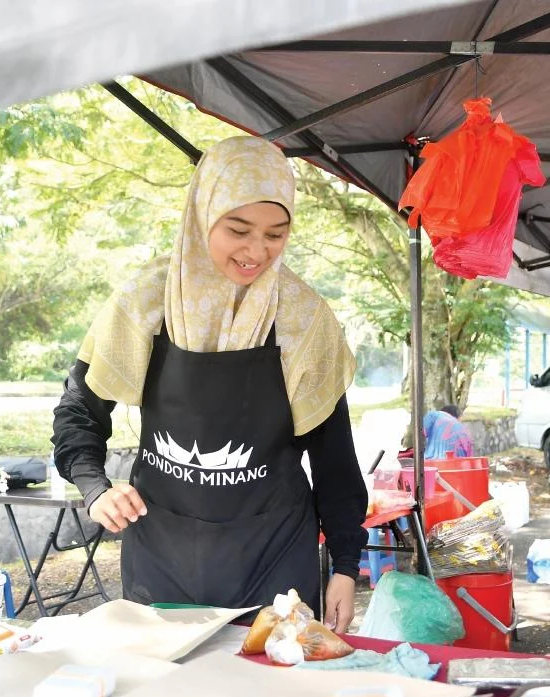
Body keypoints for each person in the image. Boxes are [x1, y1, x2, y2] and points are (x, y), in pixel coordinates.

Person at [51, 136, 367, 632]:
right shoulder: (144, 302)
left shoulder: (303, 320)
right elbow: (78, 411)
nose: (256, 251)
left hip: (274, 556)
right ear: (201, 216)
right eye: (238, 229)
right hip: (162, 553)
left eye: (276, 234)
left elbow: (335, 459)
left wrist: (347, 566)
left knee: (267, 695)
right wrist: (94, 488)